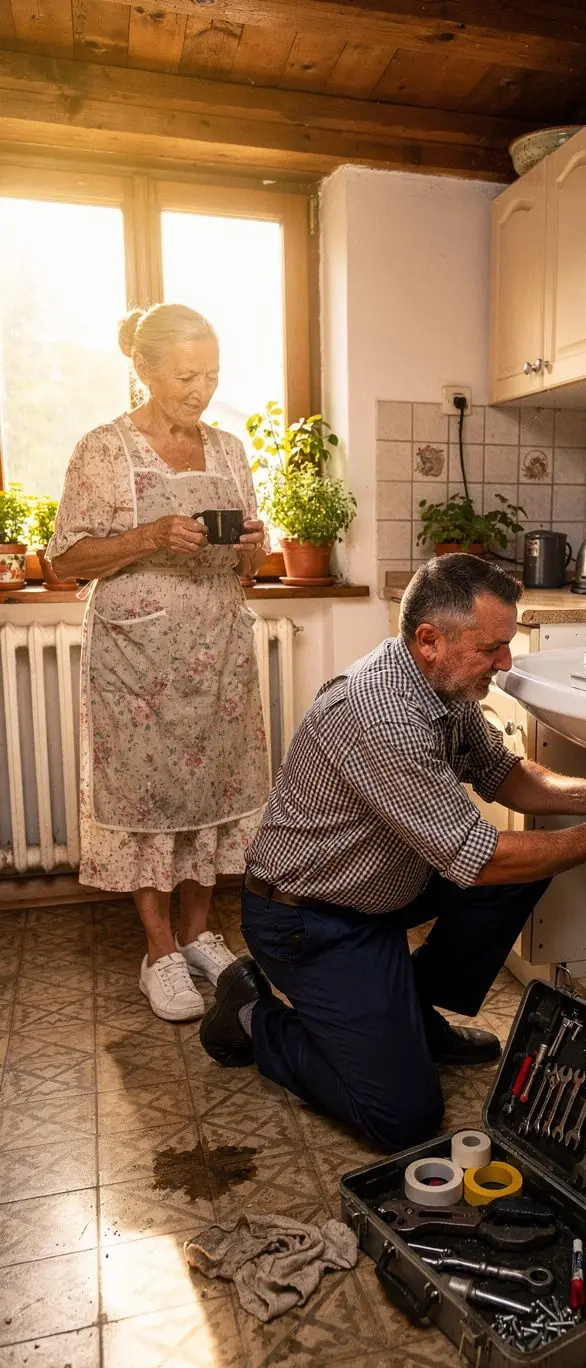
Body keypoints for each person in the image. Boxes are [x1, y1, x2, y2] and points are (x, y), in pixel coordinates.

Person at [199, 555, 586, 1148]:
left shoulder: (443, 685)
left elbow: (503, 772)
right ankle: (252, 1016)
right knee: (403, 1118)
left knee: (529, 865)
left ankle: (408, 1012)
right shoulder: (380, 714)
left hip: (380, 890)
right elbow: (479, 858)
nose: (505, 662)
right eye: (492, 648)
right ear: (429, 640)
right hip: (308, 920)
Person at [48, 303, 270, 1022]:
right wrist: (148, 535)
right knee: (147, 799)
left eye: (211, 376)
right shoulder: (103, 450)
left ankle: (199, 934)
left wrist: (253, 548)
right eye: (185, 376)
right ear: (143, 369)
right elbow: (64, 561)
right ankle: (159, 952)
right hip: (134, 658)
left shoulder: (229, 450)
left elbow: (252, 566)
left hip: (219, 653)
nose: (201, 391)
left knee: (211, 792)